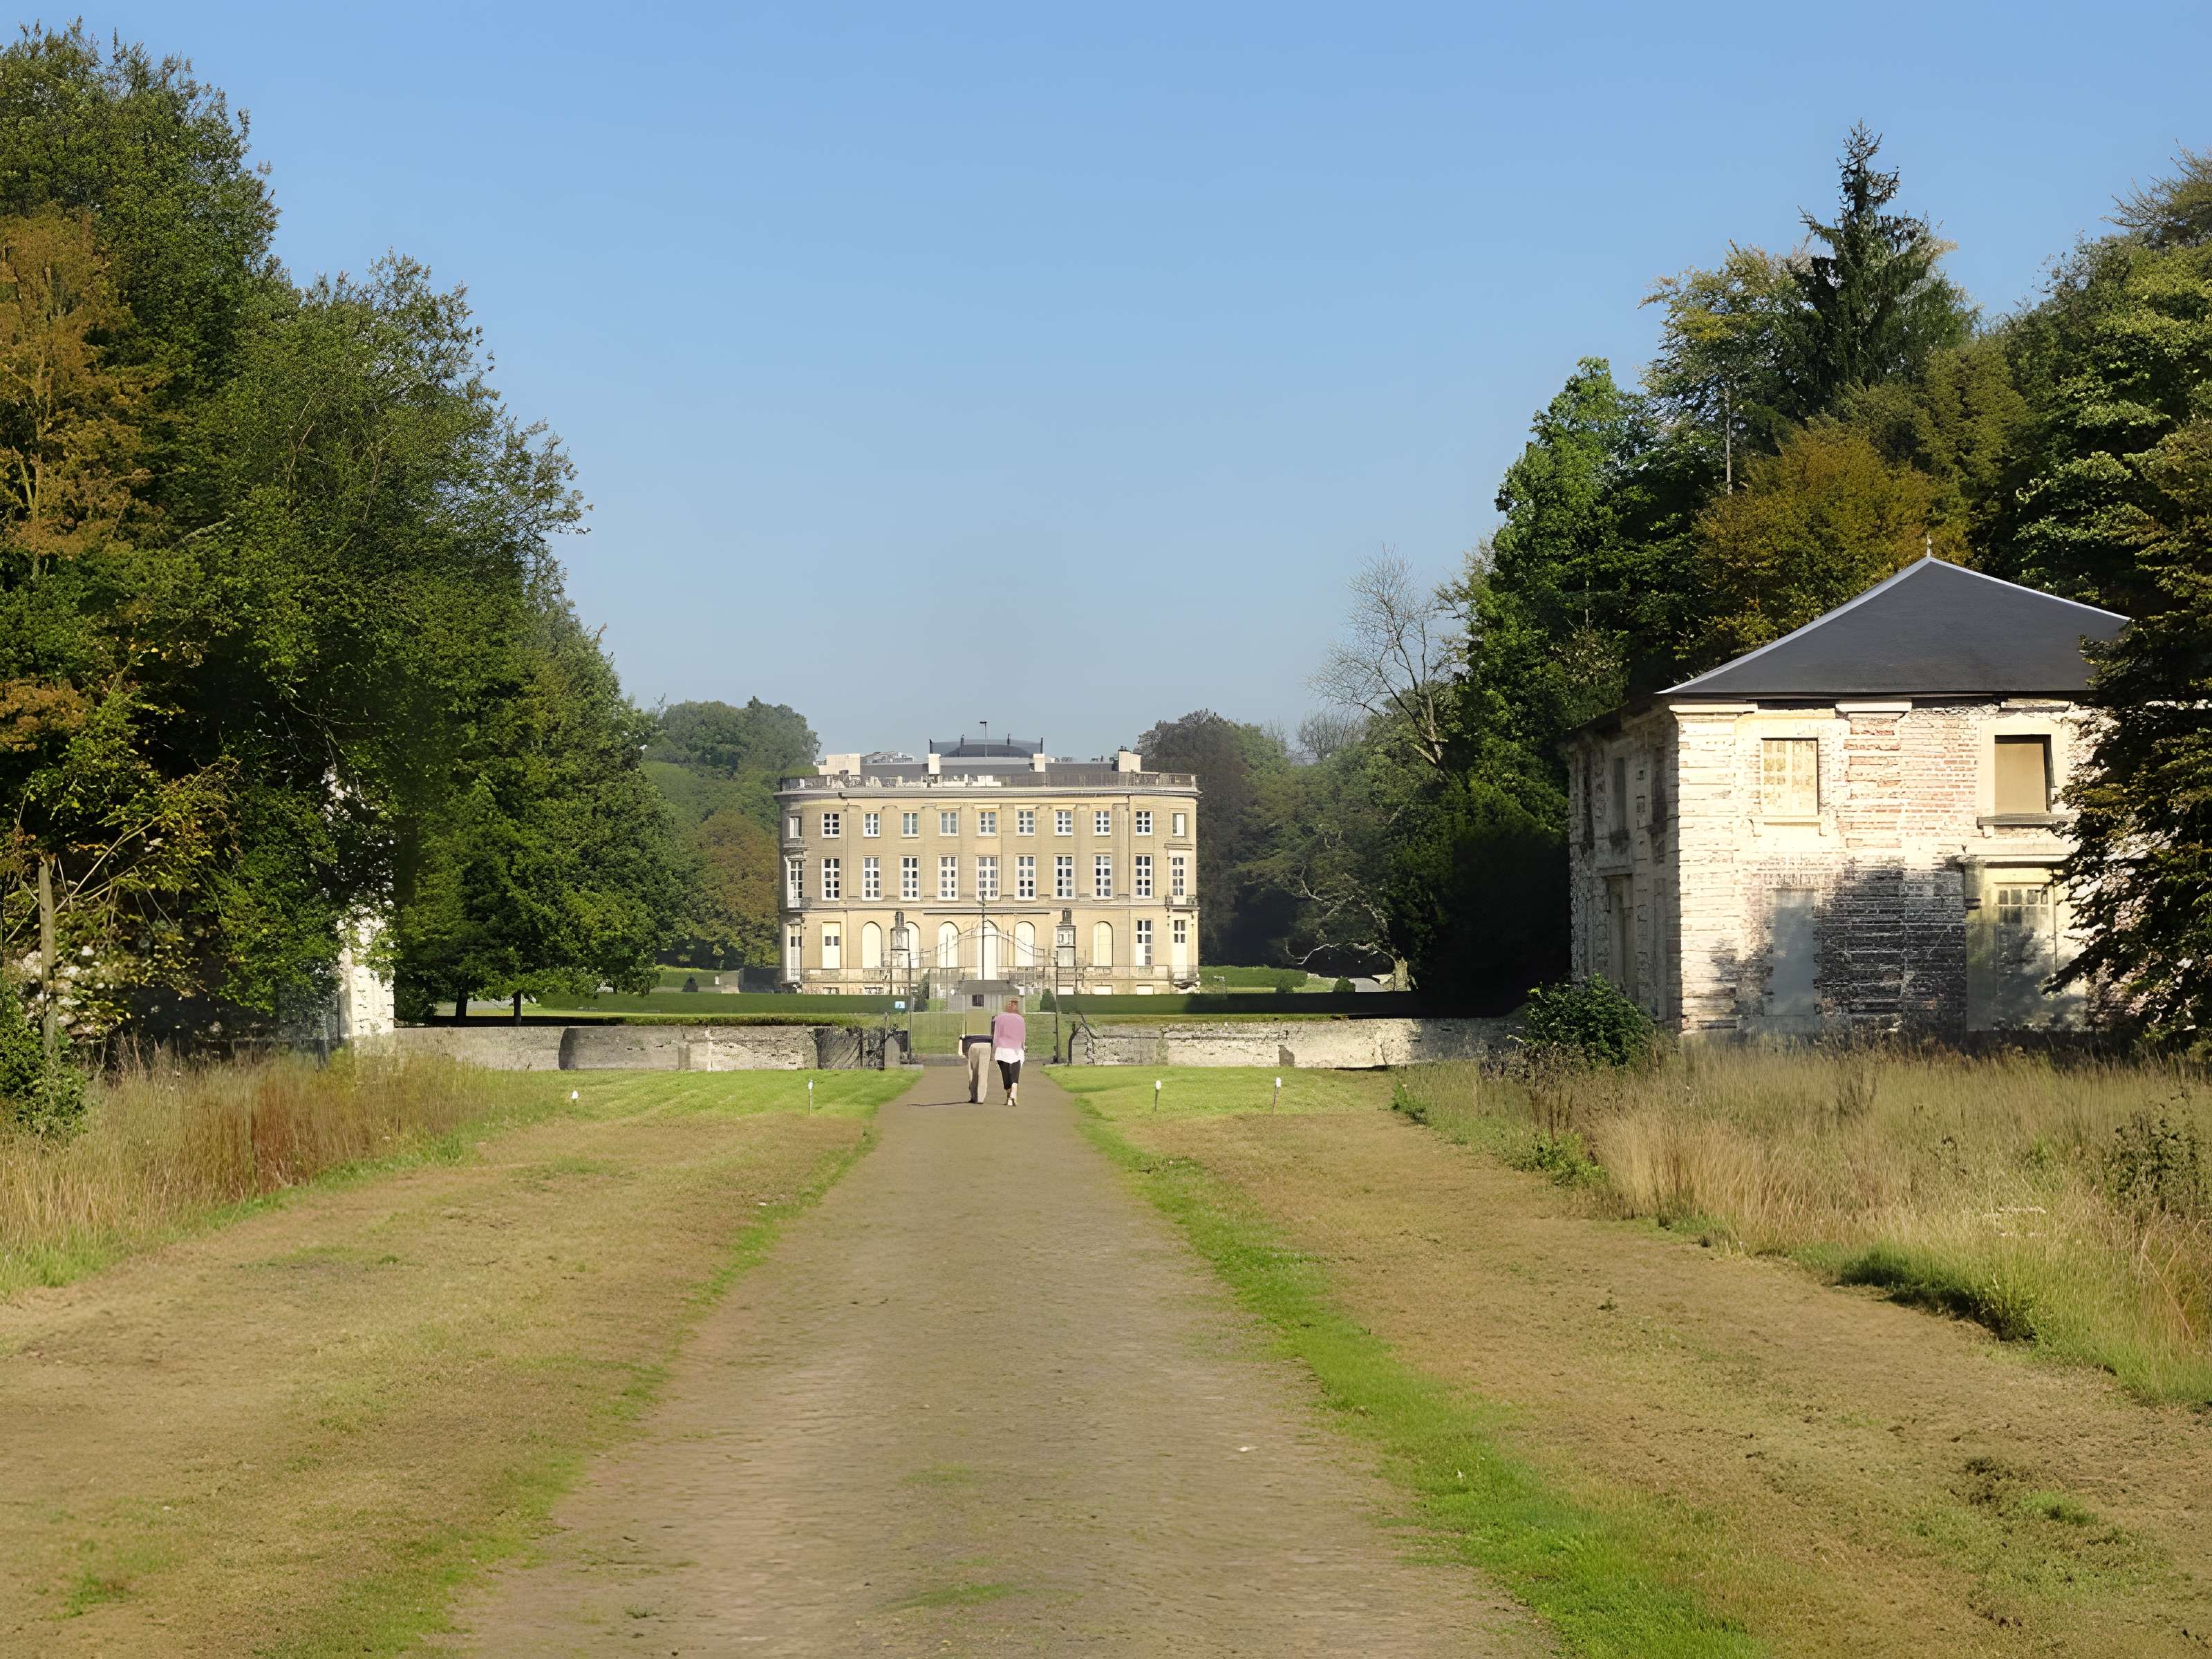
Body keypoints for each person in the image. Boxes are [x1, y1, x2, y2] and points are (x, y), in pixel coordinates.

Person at [991, 997, 1026, 1105]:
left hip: (1002, 1050)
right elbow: (1023, 1036)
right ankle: (1013, 1092)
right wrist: (1022, 1046)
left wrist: (994, 1049)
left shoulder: (999, 1018)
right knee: (1015, 1072)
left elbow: (996, 1035)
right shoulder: (1021, 1019)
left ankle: (1009, 1097)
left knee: (1005, 1074)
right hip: (1016, 1050)